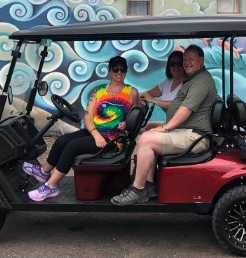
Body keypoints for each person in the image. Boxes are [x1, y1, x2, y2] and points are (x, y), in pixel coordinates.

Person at [111, 44, 217, 205]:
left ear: (201, 60)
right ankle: (149, 184)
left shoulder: (201, 81)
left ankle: (138, 189)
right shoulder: (194, 79)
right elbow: (159, 98)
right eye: (185, 59)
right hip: (188, 131)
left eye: (191, 59)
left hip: (196, 136)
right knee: (149, 131)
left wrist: (167, 127)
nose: (186, 62)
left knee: (146, 139)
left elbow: (185, 110)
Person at [23, 56, 139, 201]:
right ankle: (44, 172)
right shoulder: (99, 91)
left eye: (123, 69)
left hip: (112, 140)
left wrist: (126, 123)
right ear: (110, 71)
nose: (119, 72)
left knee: (72, 146)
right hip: (96, 133)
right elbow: (88, 117)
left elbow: (135, 117)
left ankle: (51, 186)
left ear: (126, 72)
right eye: (116, 69)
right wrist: (96, 134)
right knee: (62, 140)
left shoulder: (131, 92)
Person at [140, 50, 187, 129]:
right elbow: (147, 94)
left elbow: (176, 105)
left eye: (179, 64)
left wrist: (153, 100)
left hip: (183, 127)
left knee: (148, 136)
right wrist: (138, 98)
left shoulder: (188, 84)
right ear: (169, 66)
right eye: (172, 64)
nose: (176, 67)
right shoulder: (167, 83)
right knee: (148, 126)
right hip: (170, 124)